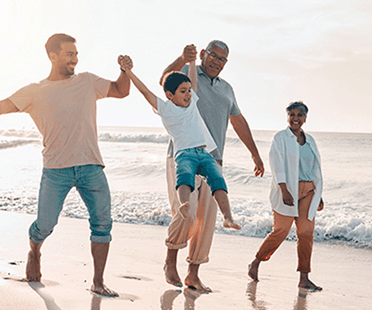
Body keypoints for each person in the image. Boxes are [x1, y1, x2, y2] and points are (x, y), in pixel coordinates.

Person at [0, 33, 130, 297]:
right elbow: (0, 107)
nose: (75, 59)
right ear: (53, 56)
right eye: (69, 54)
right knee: (45, 224)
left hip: (91, 165)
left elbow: (120, 90)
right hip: (56, 169)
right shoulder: (36, 91)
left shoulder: (87, 81)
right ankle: (34, 251)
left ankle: (98, 282)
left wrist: (124, 71)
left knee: (102, 223)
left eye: (76, 54)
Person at [160, 42, 265, 292]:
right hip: (183, 155)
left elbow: (238, 121)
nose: (217, 62)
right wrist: (181, 59)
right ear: (204, 54)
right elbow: (164, 80)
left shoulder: (227, 90)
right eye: (213, 56)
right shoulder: (187, 72)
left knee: (206, 221)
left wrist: (255, 154)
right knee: (186, 211)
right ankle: (170, 261)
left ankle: (193, 274)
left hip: (212, 159)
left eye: (222, 59)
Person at [119, 51, 242, 232]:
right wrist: (128, 72)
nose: (188, 95)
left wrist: (192, 62)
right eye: (183, 92)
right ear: (169, 95)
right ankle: (184, 205)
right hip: (184, 154)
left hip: (204, 153)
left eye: (189, 91)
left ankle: (228, 217)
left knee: (218, 181)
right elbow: (145, 91)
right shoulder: (164, 108)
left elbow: (193, 78)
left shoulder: (192, 103)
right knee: (184, 179)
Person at [247, 101, 324, 291]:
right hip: (288, 189)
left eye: (299, 115)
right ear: (287, 117)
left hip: (309, 191)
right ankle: (256, 261)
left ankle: (304, 277)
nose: (295, 118)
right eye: (292, 115)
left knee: (306, 233)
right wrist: (283, 189)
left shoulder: (311, 140)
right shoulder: (280, 138)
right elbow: (276, 164)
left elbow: (315, 168)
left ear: (305, 118)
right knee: (281, 231)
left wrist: (318, 194)